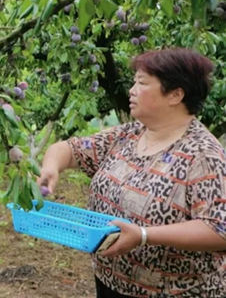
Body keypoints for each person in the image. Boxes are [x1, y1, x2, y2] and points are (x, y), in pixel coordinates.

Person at [38, 48, 226, 296]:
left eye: (142, 83)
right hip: (110, 282)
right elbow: (68, 149)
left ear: (175, 95)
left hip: (175, 292)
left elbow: (219, 229)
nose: (132, 90)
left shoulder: (203, 154)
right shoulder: (129, 134)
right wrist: (51, 168)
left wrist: (144, 235)